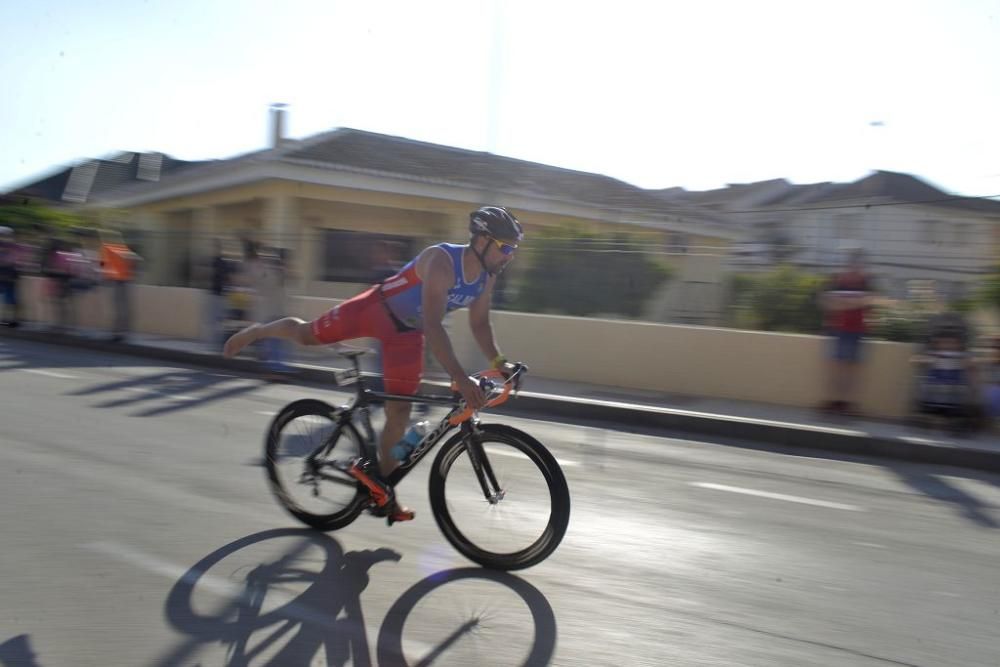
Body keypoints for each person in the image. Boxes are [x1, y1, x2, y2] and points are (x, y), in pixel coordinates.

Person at [223, 205, 524, 522]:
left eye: (514, 250)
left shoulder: (486, 278)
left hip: (407, 335)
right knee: (308, 334)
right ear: (482, 241)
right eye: (506, 247)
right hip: (374, 310)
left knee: (399, 412)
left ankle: (383, 493)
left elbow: (479, 324)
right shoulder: (442, 261)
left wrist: (500, 361)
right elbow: (435, 326)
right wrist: (462, 378)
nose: (510, 256)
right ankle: (258, 331)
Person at [819, 248, 874, 416]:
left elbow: (871, 302)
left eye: (859, 265)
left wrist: (845, 302)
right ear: (848, 265)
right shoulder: (838, 281)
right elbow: (827, 302)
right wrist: (856, 302)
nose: (855, 268)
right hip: (837, 330)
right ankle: (833, 401)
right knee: (835, 368)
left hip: (858, 331)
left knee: (851, 370)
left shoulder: (866, 283)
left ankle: (847, 404)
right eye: (852, 264)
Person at [100, 230, 141, 342]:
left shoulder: (109, 249)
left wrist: (105, 276)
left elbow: (103, 264)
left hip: (119, 281)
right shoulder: (124, 249)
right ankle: (122, 332)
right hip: (124, 281)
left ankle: (119, 332)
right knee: (123, 308)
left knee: (120, 308)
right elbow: (134, 264)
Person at [0, 226, 19, 327]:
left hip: (7, 277)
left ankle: (11, 319)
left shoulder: (10, 247)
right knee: (8, 299)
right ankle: (7, 319)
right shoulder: (11, 246)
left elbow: (9, 262)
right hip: (7, 277)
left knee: (9, 299)